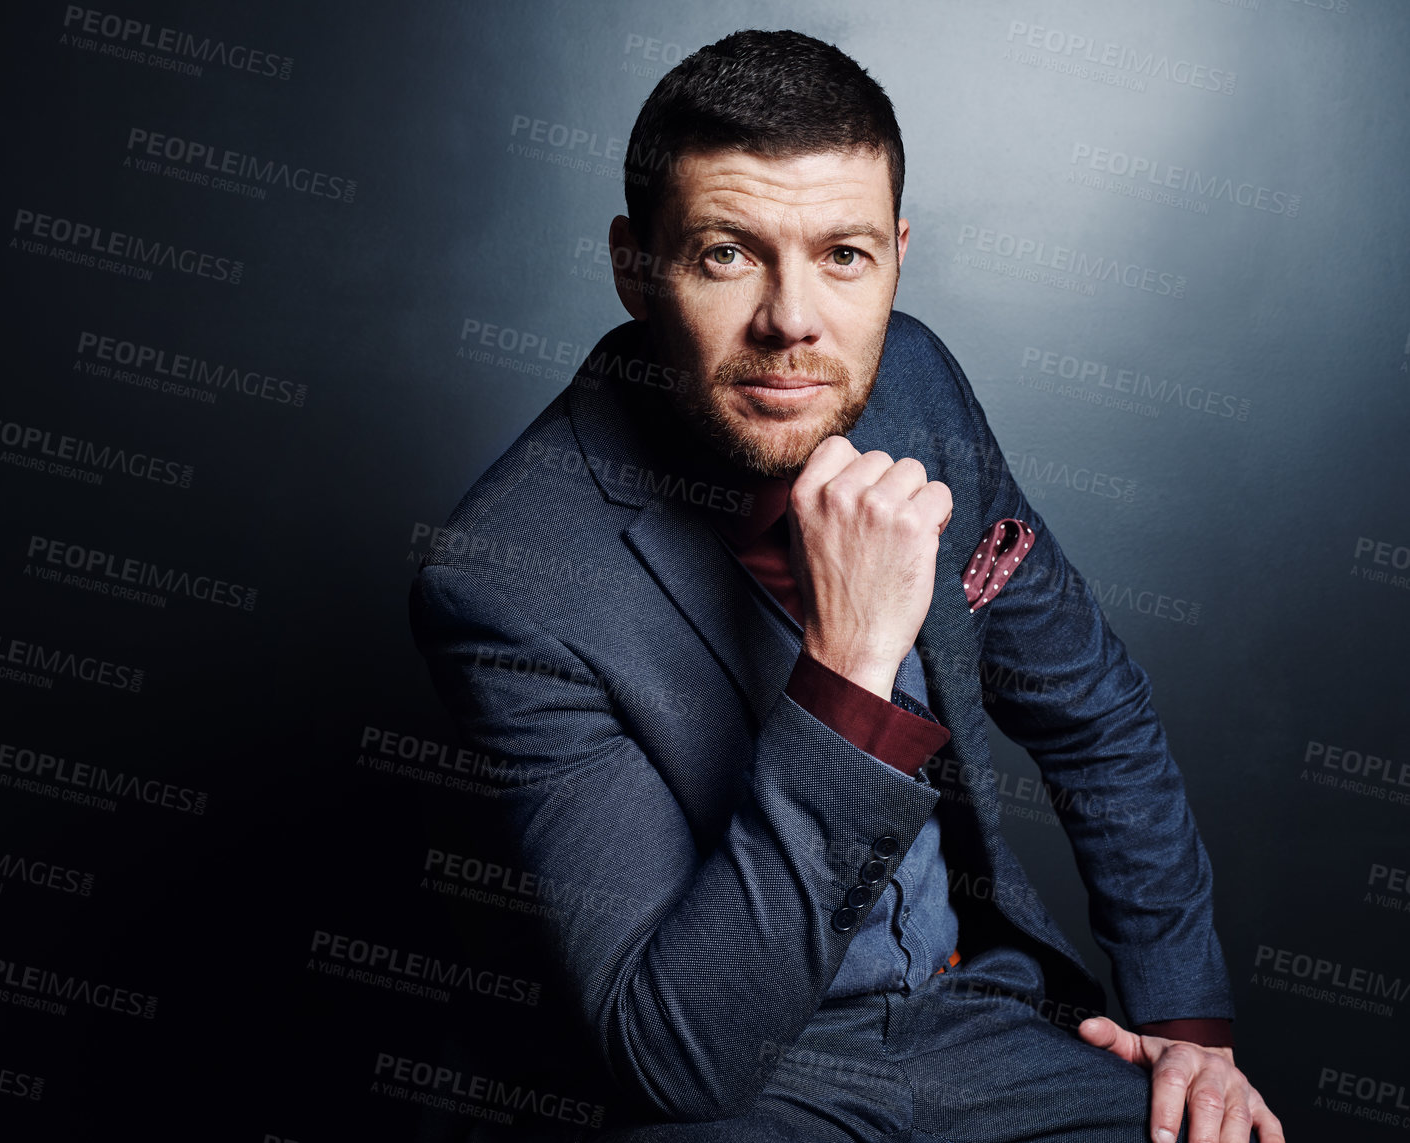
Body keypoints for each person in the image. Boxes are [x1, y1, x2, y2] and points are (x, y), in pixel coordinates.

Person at [409, 29, 1282, 1143]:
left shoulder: (912, 385)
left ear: (895, 256)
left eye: (842, 255)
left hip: (985, 1018)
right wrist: (849, 665)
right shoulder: (506, 583)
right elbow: (673, 1055)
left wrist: (1188, 1029)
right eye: (726, 253)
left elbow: (1091, 711)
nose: (791, 323)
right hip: (751, 1083)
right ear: (635, 266)